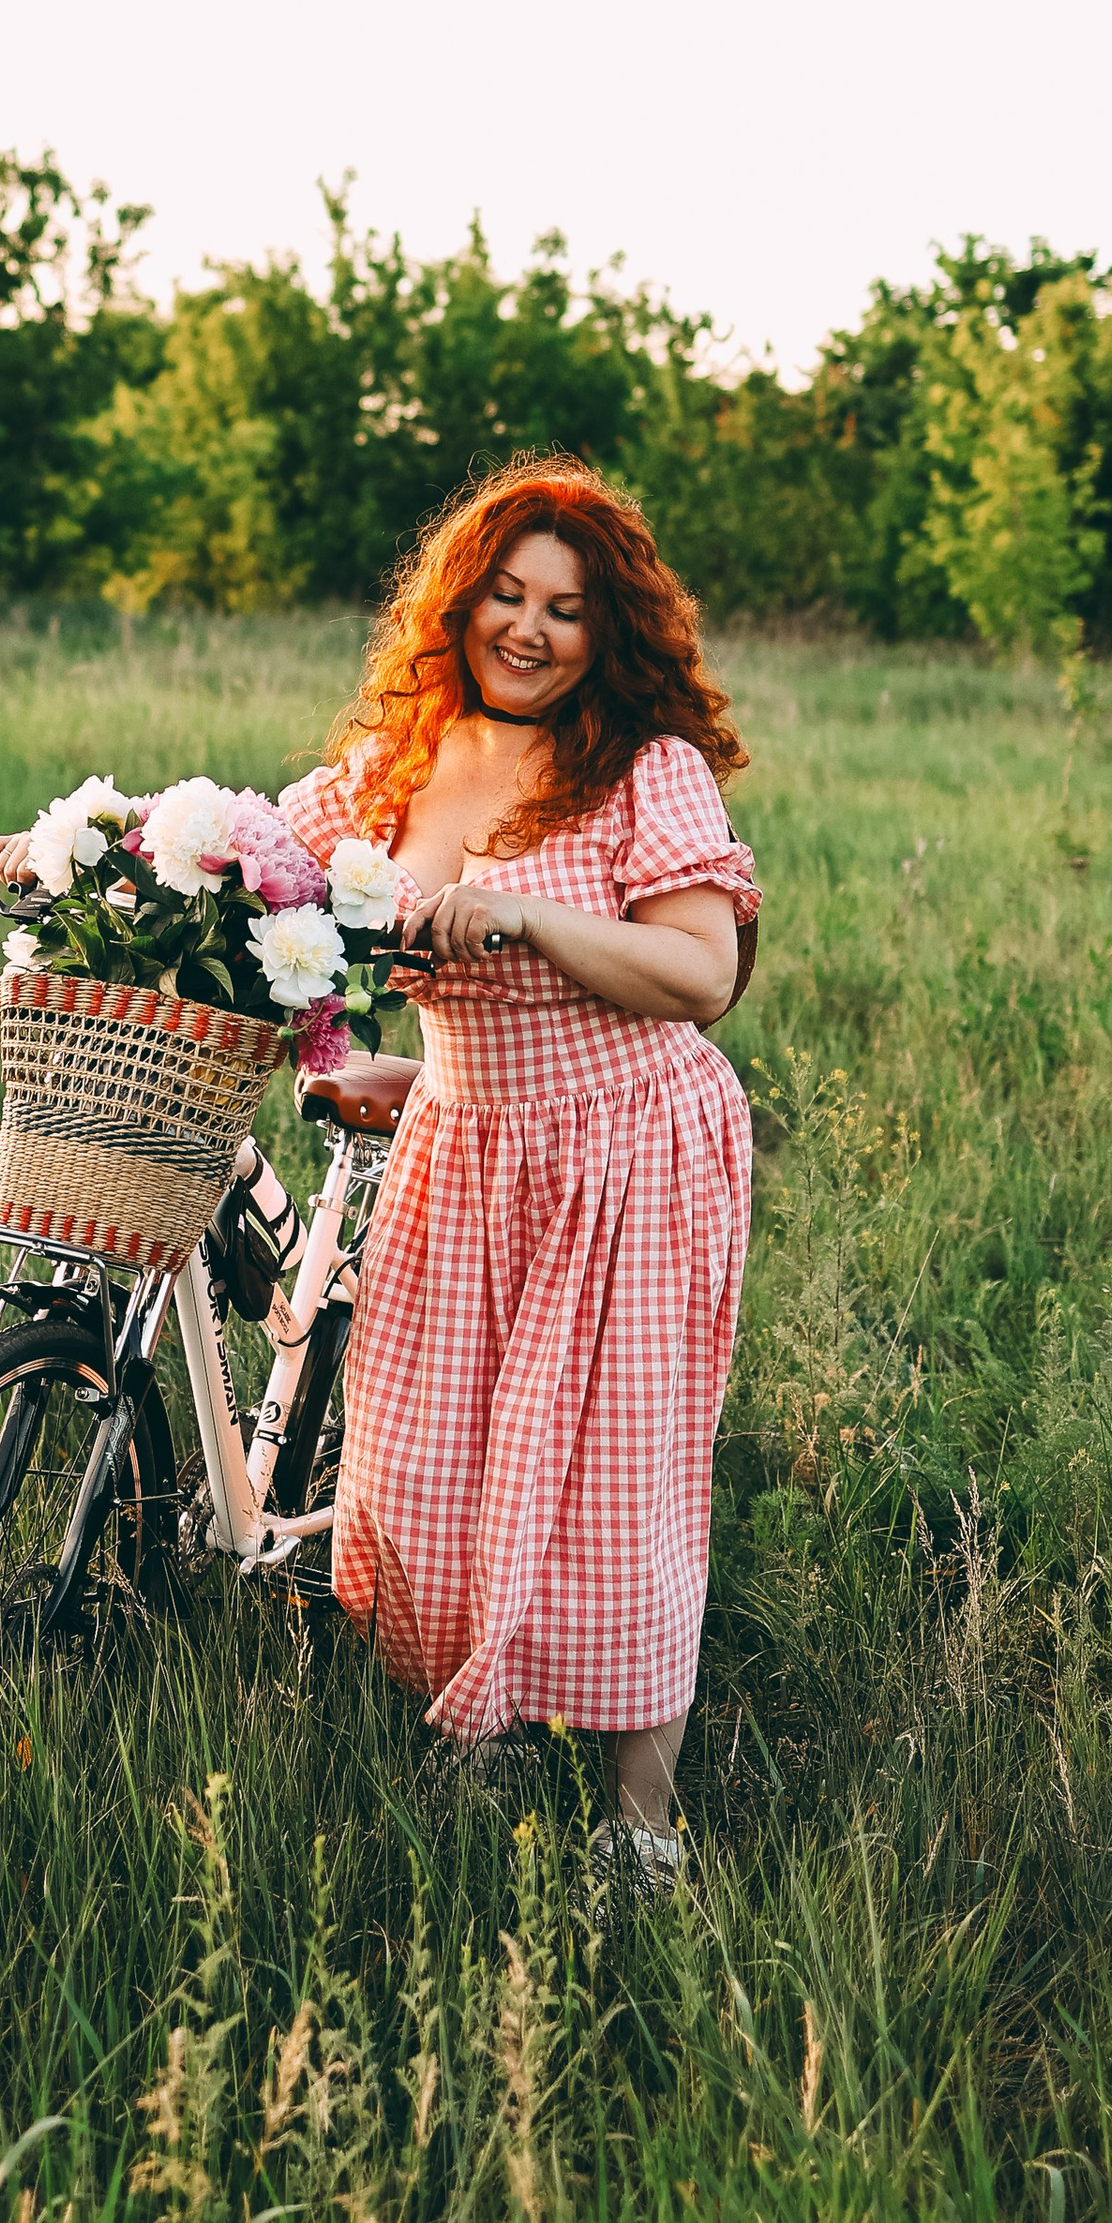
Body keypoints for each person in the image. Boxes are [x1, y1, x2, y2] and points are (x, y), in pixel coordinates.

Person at [277, 462, 757, 1888]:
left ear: (609, 635)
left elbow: (701, 972)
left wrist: (531, 923)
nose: (531, 630)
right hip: (466, 1148)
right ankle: (473, 1736)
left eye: (566, 609)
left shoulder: (639, 772)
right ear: (461, 603)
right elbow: (256, 864)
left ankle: (641, 1828)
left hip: (628, 1159)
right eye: (507, 595)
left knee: (611, 1490)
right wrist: (97, 861)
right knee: (420, 1473)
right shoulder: (399, 765)